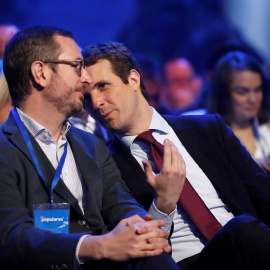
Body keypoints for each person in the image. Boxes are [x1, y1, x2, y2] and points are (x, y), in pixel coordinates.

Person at [0, 26, 181, 270]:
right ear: (40, 73)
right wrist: (98, 246)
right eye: (76, 66)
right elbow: (12, 237)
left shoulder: (90, 145)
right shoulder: (4, 148)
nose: (85, 79)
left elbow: (120, 205)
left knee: (154, 256)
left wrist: (141, 229)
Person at [82, 41, 270, 270]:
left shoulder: (208, 129)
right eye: (86, 97)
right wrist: (163, 204)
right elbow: (131, 249)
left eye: (103, 86)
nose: (96, 102)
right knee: (240, 230)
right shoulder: (103, 166)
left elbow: (264, 195)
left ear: (133, 80)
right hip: (183, 263)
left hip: (250, 252)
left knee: (243, 231)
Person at [207, 51, 270, 172]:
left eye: (258, 90)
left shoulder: (267, 128)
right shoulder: (199, 129)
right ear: (223, 93)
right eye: (242, 92)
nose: (253, 99)